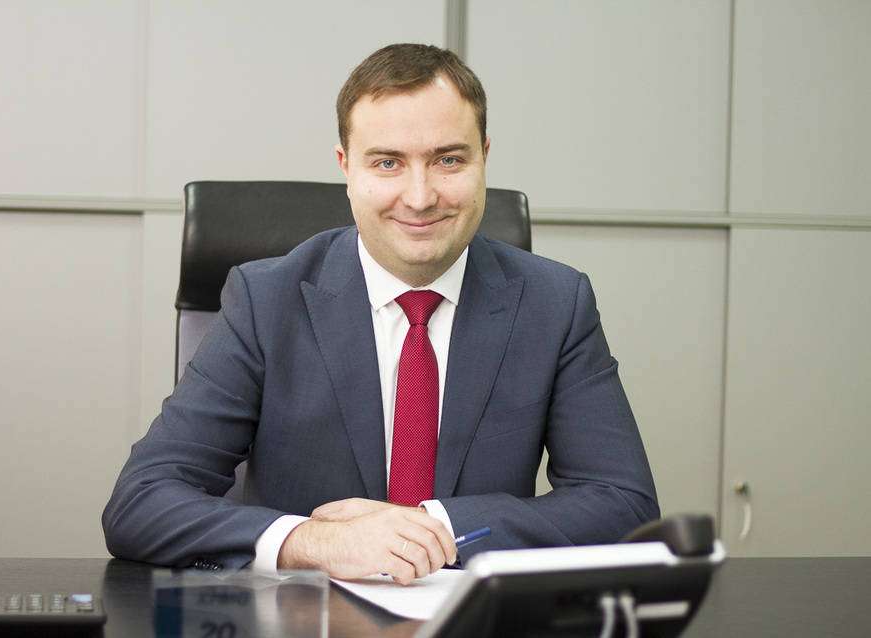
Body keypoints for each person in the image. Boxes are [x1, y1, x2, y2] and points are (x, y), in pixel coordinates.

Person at [102, 43, 659, 586]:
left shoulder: (554, 303)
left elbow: (624, 505)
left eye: (448, 160)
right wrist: (314, 542)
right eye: (388, 162)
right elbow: (141, 501)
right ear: (346, 167)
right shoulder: (265, 300)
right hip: (303, 620)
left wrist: (432, 528)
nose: (419, 197)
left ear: (484, 157)